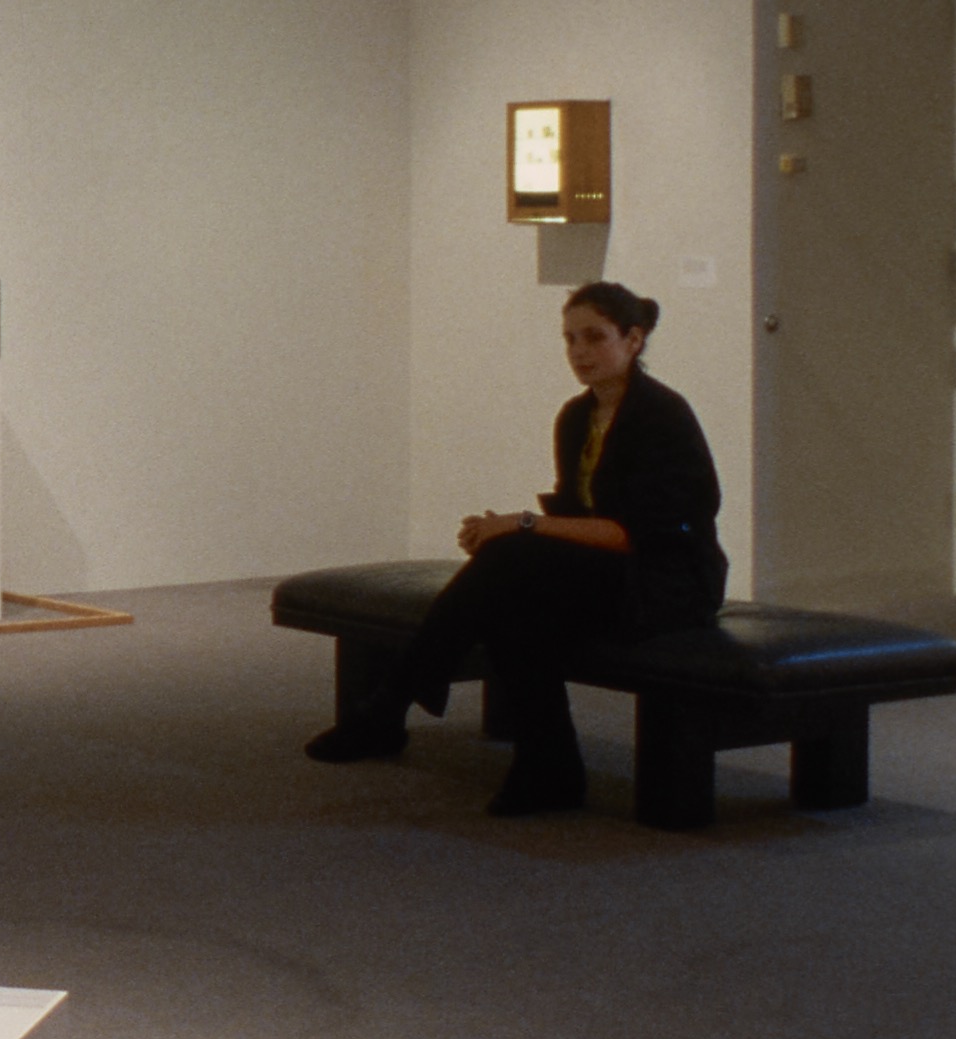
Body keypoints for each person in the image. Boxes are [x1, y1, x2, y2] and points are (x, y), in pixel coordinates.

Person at [310, 280, 729, 814]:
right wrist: (512, 529)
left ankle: (390, 707)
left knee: (510, 558)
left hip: (668, 580)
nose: (580, 352)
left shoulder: (663, 416)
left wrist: (523, 526)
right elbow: (578, 521)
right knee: (513, 602)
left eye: (595, 338)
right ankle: (548, 767)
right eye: (570, 339)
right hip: (609, 571)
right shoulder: (576, 417)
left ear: (634, 340)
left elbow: (634, 533)